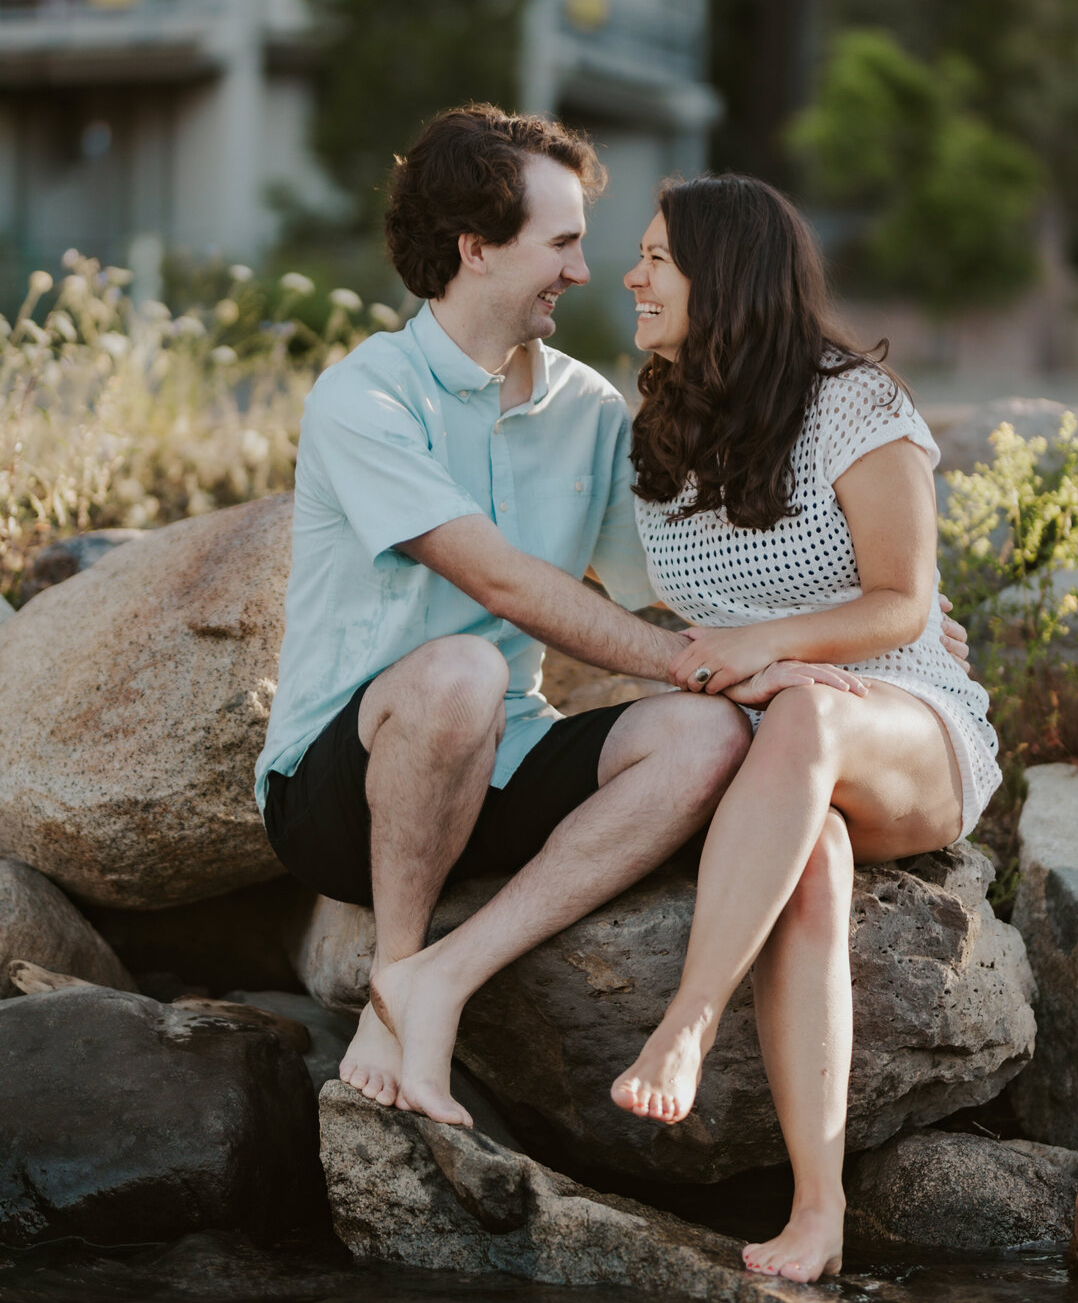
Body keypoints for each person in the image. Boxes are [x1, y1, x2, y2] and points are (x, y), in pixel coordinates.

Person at [256, 105, 759, 1123]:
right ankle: (393, 994)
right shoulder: (367, 399)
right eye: (562, 242)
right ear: (476, 249)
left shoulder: (588, 409)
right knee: (461, 672)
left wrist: (860, 625)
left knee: (707, 734)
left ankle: (440, 975)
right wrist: (685, 661)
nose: (585, 270)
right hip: (341, 791)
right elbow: (501, 583)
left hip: (502, 764)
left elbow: (675, 583)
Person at [607, 173, 1001, 1286]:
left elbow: (902, 605)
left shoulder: (859, 406)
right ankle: (816, 1214)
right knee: (810, 866)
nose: (631, 277)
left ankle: (689, 1019)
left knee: (810, 719)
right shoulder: (665, 420)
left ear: (723, 278)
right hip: (781, 741)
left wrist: (774, 650)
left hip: (905, 723)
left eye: (656, 260)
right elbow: (669, 608)